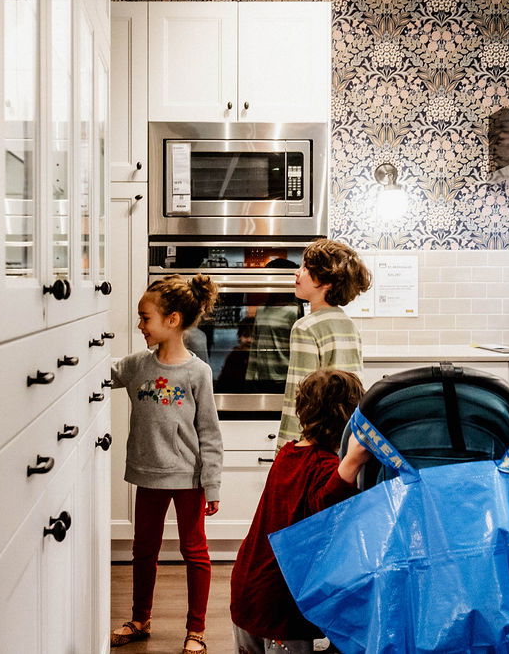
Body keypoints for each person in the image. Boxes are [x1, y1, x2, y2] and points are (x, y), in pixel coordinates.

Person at [109, 274, 224, 654]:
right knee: (144, 550)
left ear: (171, 320)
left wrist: (213, 484)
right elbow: (98, 372)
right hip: (148, 475)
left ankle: (197, 630)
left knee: (195, 553)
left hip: (188, 479)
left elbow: (209, 433)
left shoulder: (197, 373)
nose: (139, 325)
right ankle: (140, 619)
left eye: (145, 318)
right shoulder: (137, 366)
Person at [230, 369, 373, 654]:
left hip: (247, 588)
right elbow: (327, 507)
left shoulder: (288, 453)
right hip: (280, 604)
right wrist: (353, 462)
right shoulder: (325, 467)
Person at [277, 239, 372, 447]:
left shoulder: (305, 327)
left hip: (315, 445)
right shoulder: (349, 325)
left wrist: (285, 449)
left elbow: (298, 398)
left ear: (327, 282)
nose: (297, 272)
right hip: (343, 441)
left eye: (305, 268)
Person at [246, 258, 302, 383]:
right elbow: (255, 345)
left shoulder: (294, 311)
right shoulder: (261, 309)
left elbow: (298, 350)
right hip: (261, 378)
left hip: (283, 379)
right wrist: (250, 376)